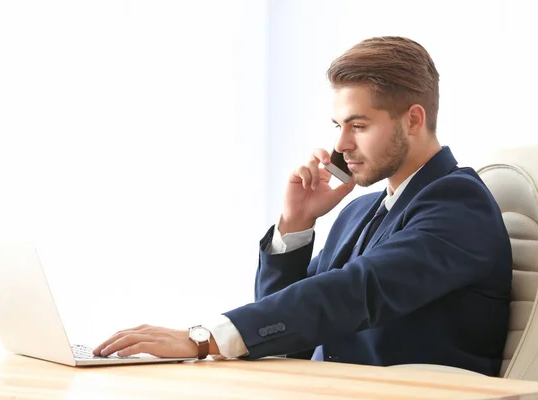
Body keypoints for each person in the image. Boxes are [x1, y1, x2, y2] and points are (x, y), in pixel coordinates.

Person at [93, 36, 512, 376]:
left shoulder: (458, 204)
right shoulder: (358, 211)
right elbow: (291, 336)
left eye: (359, 126)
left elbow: (357, 292)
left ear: (414, 120)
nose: (342, 145)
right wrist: (296, 225)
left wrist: (204, 339)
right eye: (338, 126)